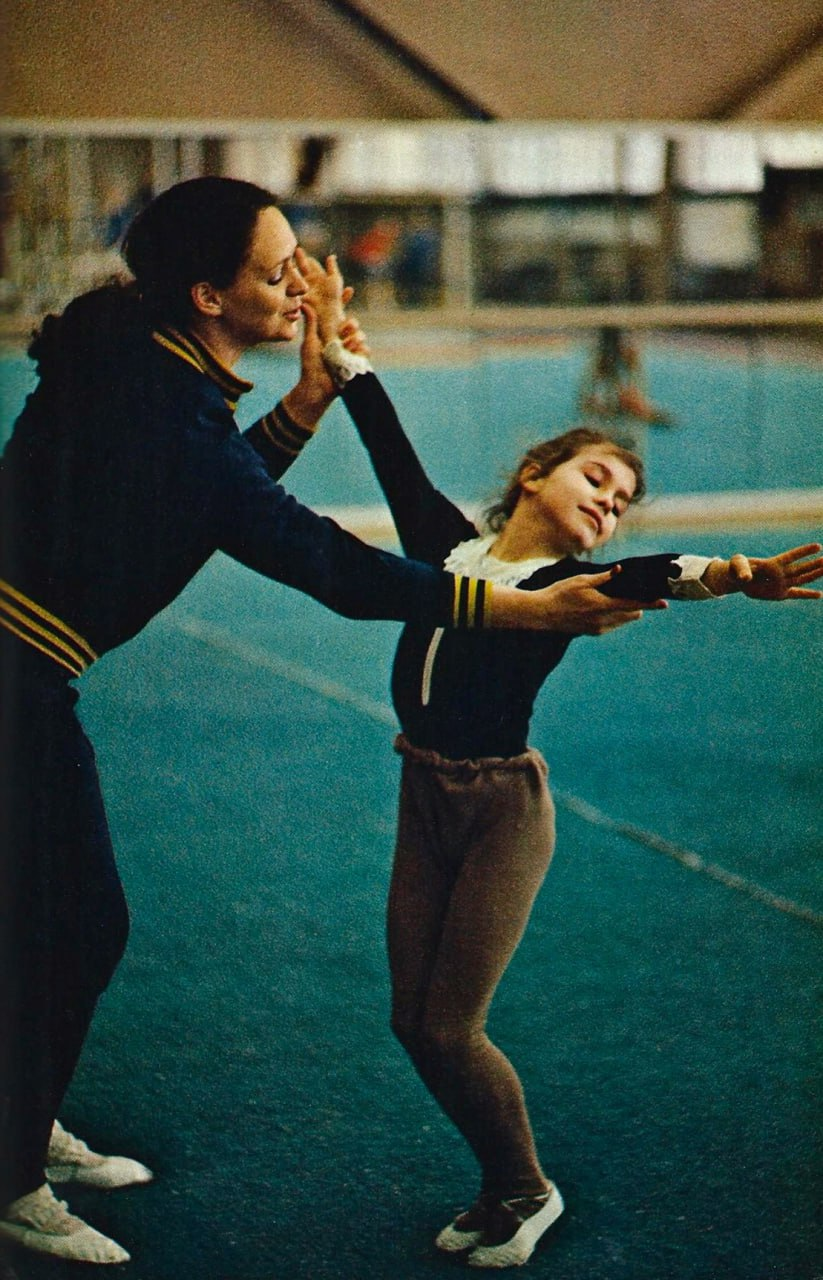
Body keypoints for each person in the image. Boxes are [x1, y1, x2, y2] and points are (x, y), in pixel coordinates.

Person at [0, 177, 656, 1266]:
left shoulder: (148, 372)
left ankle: (20, 1124)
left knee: (67, 920)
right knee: (75, 923)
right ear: (209, 296)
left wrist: (308, 399)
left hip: (24, 675)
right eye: (275, 270)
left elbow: (209, 491)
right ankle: (15, 1172)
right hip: (13, 679)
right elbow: (319, 558)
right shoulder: (167, 407)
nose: (300, 283)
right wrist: (513, 601)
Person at [308, 291, 823, 1270]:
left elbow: (651, 573)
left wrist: (732, 571)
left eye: (622, 498)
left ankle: (526, 1189)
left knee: (453, 1025)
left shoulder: (565, 589)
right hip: (424, 793)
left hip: (503, 808)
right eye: (597, 477)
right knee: (409, 1022)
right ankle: (499, 1181)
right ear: (533, 475)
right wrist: (343, 363)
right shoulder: (447, 550)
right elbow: (391, 452)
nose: (608, 501)